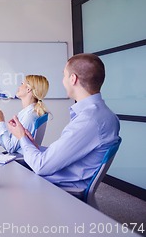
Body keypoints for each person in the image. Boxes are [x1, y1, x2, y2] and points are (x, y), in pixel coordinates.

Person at [7, 53, 120, 189]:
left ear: (73, 79)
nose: (63, 81)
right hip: (58, 179)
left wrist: (22, 137)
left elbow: (41, 166)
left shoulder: (88, 121)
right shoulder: (104, 114)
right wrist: (30, 143)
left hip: (55, 188)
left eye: (64, 75)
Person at [0, 75, 49, 154]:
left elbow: (10, 147)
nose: (19, 86)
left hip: (19, 160)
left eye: (22, 83)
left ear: (28, 89)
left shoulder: (29, 116)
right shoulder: (30, 112)